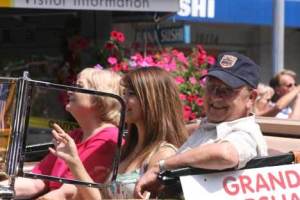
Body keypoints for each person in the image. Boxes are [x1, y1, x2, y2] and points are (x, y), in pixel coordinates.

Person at [134, 52, 268, 198]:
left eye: (227, 90)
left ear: (251, 97)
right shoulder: (210, 126)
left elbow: (225, 155)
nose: (216, 96)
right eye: (211, 87)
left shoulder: (245, 132)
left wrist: (161, 167)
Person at [46, 67, 188, 199]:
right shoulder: (128, 150)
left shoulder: (163, 153)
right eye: (124, 93)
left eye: (131, 94)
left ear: (153, 101)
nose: (123, 101)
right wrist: (73, 161)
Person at [0, 68, 122, 199]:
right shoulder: (75, 136)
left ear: (99, 97)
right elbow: (37, 182)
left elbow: (68, 193)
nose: (69, 91)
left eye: (78, 86)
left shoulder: (109, 139)